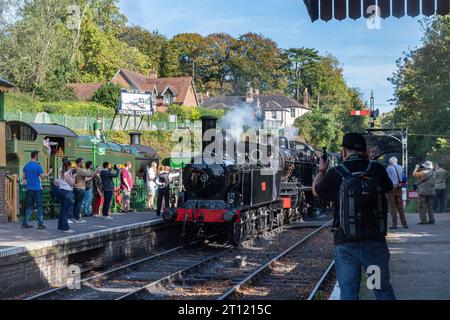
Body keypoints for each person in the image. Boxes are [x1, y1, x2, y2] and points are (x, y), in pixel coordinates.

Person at [312, 132, 395, 300]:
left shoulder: (337, 173)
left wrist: (322, 170)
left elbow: (315, 191)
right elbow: (389, 189)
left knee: (349, 293)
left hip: (346, 244)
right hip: (374, 244)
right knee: (379, 288)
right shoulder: (376, 169)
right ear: (365, 150)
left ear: (344, 151)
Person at [22, 151, 53, 229]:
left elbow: (24, 177)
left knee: (29, 207)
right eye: (38, 155)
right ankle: (40, 224)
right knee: (39, 207)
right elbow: (43, 177)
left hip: (29, 189)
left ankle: (24, 223)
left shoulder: (26, 166)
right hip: (37, 189)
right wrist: (49, 173)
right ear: (36, 156)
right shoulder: (38, 166)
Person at [72, 158, 98, 223]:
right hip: (80, 188)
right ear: (78, 163)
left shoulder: (75, 169)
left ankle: (76, 216)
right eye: (82, 162)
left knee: (76, 203)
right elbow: (89, 175)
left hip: (76, 187)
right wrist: (96, 171)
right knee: (79, 203)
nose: (83, 163)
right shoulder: (79, 170)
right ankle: (77, 218)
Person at [386, 157, 408, 229]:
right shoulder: (401, 167)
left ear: (390, 162)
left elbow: (386, 178)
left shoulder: (389, 168)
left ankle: (394, 225)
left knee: (393, 207)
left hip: (391, 189)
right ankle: (405, 224)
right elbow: (404, 178)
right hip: (399, 188)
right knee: (400, 207)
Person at [58, 161, 76, 233]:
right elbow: (72, 184)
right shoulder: (66, 174)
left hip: (61, 190)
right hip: (67, 192)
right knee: (65, 211)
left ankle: (60, 227)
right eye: (70, 166)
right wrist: (74, 177)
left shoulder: (61, 172)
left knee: (62, 210)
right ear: (68, 166)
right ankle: (65, 228)